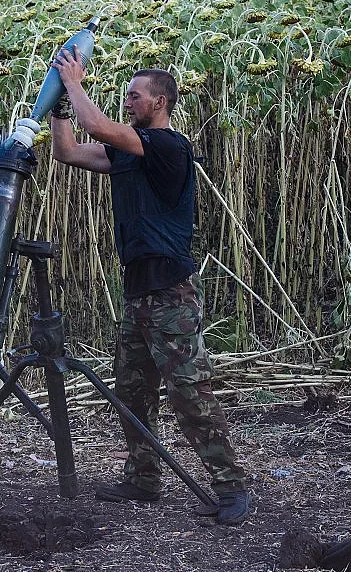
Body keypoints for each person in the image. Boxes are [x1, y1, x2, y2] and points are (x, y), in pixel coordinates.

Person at [49, 46, 249, 525]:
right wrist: (58, 103)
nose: (128, 102)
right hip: (136, 291)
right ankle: (143, 480)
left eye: (135, 96)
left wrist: (75, 82)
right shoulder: (127, 152)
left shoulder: (169, 146)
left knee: (188, 391)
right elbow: (69, 150)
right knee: (132, 390)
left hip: (171, 293)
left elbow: (97, 128)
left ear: (159, 102)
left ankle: (230, 488)